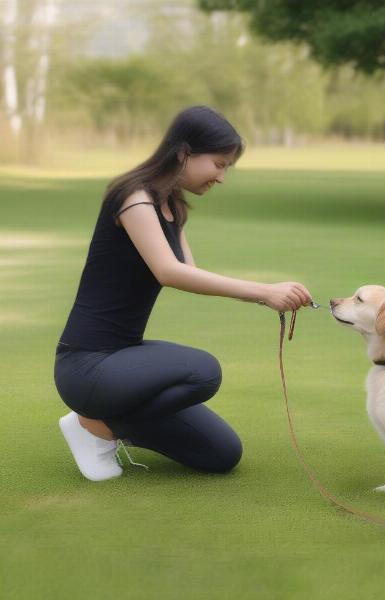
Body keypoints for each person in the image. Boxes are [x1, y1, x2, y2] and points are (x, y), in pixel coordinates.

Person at [54, 105, 313, 482]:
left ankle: (102, 423)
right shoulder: (133, 198)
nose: (222, 177)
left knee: (222, 453)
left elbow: (190, 275)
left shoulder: (172, 205)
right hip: (86, 366)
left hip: (123, 360)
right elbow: (169, 272)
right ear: (184, 154)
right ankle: (95, 427)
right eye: (219, 164)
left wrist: (273, 293)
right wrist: (263, 292)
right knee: (203, 371)